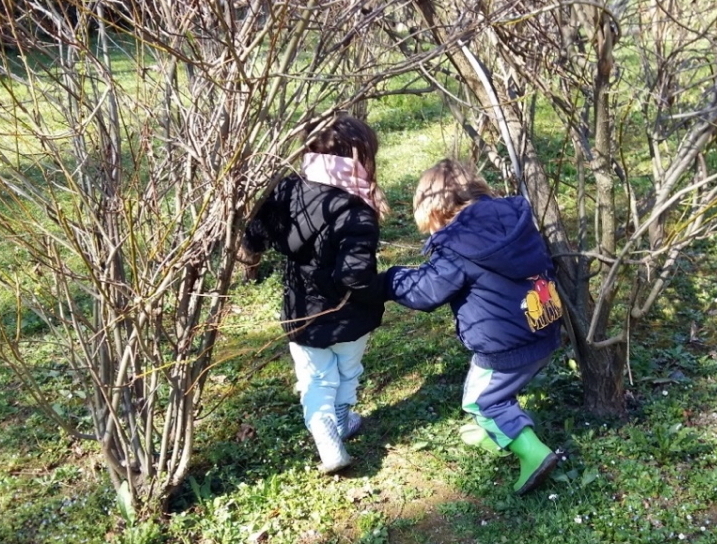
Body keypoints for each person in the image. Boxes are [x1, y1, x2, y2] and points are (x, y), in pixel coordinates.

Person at [379, 159, 563, 495]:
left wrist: (390, 280)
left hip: (505, 344)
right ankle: (495, 430)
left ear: (435, 210)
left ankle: (533, 452)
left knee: (482, 401)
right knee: (499, 389)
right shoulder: (514, 219)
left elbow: (426, 291)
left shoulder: (458, 243)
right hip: (544, 325)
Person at [240, 113, 388, 473]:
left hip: (303, 313)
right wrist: (385, 288)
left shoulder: (284, 191)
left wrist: (249, 252)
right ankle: (341, 419)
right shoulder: (355, 209)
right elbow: (355, 275)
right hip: (352, 316)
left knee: (316, 379)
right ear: (360, 156)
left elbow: (254, 235)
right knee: (348, 370)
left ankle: (327, 435)